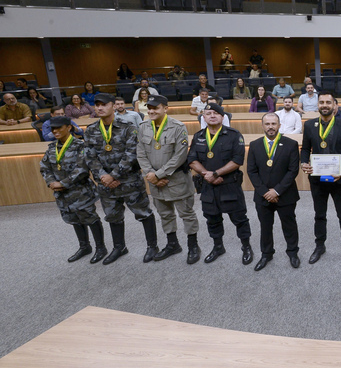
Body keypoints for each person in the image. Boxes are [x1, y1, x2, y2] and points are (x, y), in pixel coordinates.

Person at [84, 93, 159, 265]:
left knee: (143, 213)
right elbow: (89, 157)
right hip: (106, 184)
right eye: (97, 105)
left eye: (104, 104)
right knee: (113, 216)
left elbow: (132, 154)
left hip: (129, 181)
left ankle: (152, 246)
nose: (100, 108)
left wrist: (113, 175)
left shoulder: (128, 127)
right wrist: (104, 176)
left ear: (113, 106)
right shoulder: (91, 130)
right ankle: (119, 247)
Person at [136, 95, 201, 265]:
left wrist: (159, 175)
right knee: (165, 214)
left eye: (155, 108)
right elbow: (141, 153)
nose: (151, 111)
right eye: (149, 108)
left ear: (165, 108)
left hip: (176, 179)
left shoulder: (178, 127)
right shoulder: (143, 126)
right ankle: (173, 244)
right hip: (155, 181)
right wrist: (151, 175)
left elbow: (180, 156)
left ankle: (193, 246)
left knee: (186, 213)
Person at [187, 103, 253, 265]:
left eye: (216, 113)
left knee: (239, 219)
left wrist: (216, 173)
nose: (212, 116)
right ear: (203, 117)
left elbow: (237, 160)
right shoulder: (198, 136)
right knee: (212, 219)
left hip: (229, 185)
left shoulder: (234, 135)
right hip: (208, 186)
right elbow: (192, 160)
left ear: (223, 117)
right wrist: (207, 175)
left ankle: (246, 247)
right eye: (208, 113)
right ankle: (218, 247)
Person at [39, 116, 107, 264]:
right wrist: (51, 182)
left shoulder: (80, 146)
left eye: (59, 128)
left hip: (80, 191)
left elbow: (82, 169)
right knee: (73, 219)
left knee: (90, 218)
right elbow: (45, 168)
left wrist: (62, 183)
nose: (55, 131)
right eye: (53, 129)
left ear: (69, 127)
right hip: (63, 194)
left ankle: (101, 248)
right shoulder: (52, 148)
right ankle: (84, 247)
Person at [300, 91, 341, 266]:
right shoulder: (309, 125)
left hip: (338, 179)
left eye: (328, 102)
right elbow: (305, 149)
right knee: (319, 215)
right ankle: (320, 246)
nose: (325, 105)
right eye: (321, 102)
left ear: (335, 106)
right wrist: (303, 163)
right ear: (318, 105)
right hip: (317, 179)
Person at [247, 113, 301, 271]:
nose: (270, 127)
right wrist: (265, 192)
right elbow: (251, 171)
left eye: (274, 124)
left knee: (289, 225)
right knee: (265, 226)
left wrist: (276, 191)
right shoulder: (255, 145)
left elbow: (293, 171)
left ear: (279, 125)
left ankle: (292, 252)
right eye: (267, 124)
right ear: (262, 126)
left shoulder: (291, 144)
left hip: (286, 194)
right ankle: (266, 254)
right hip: (262, 196)